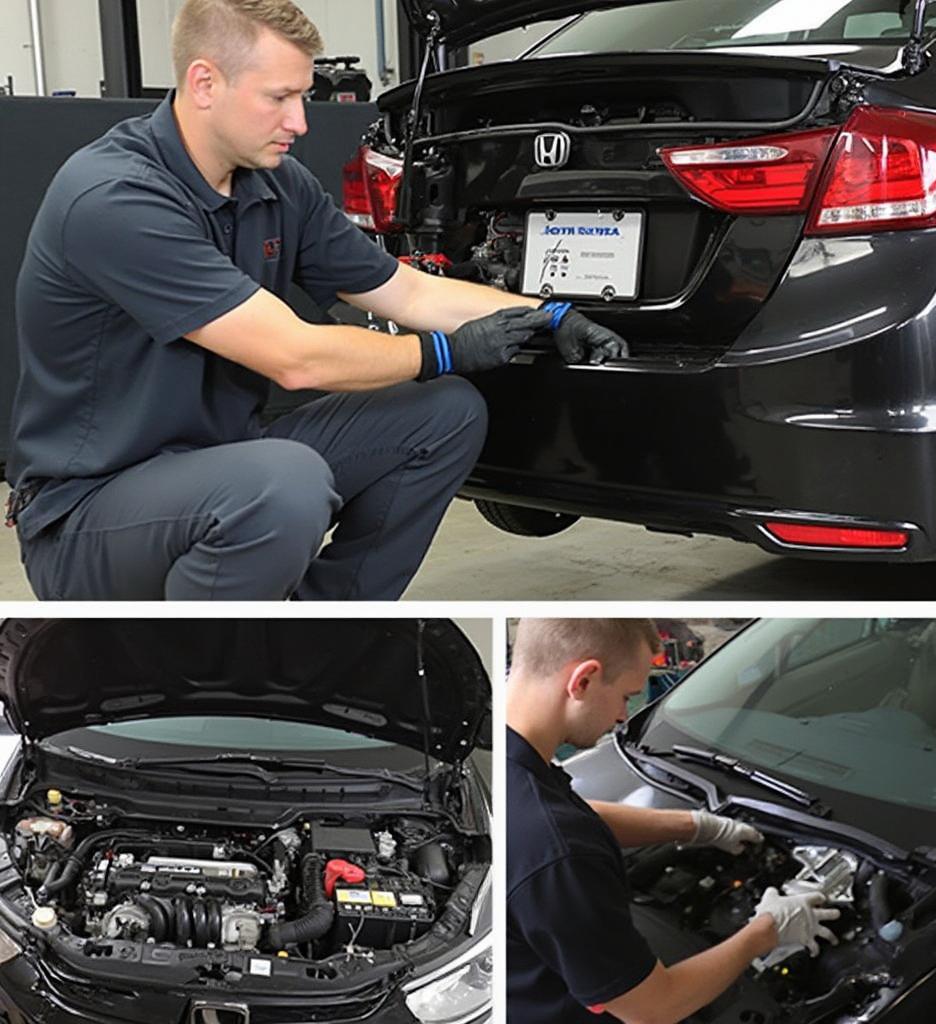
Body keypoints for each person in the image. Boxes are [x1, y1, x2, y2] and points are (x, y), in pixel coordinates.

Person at [5, 0, 627, 601]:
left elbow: (405, 289)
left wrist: (547, 311)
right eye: (279, 97)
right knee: (281, 485)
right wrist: (444, 352)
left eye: (303, 95)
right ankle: (214, 654)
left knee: (445, 414)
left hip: (223, 467)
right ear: (203, 83)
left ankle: (321, 620)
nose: (300, 122)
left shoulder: (277, 185)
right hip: (89, 519)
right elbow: (294, 358)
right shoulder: (115, 198)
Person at [507, 618, 840, 1024]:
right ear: (584, 681)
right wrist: (766, 931)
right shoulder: (558, 852)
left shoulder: (511, 758)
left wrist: (692, 825)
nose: (621, 716)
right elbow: (652, 1009)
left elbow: (574, 813)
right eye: (626, 696)